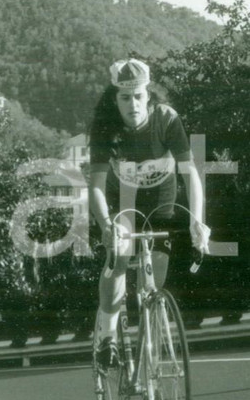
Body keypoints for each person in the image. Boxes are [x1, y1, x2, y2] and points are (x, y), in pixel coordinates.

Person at [87, 58, 211, 368]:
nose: (133, 105)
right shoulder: (104, 127)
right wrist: (105, 225)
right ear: (114, 100)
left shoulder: (167, 119)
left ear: (149, 95)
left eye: (139, 96)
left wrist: (198, 220)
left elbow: (190, 174)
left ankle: (148, 353)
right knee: (118, 257)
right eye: (125, 98)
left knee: (154, 276)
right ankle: (107, 332)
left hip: (161, 198)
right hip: (123, 199)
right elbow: (97, 186)